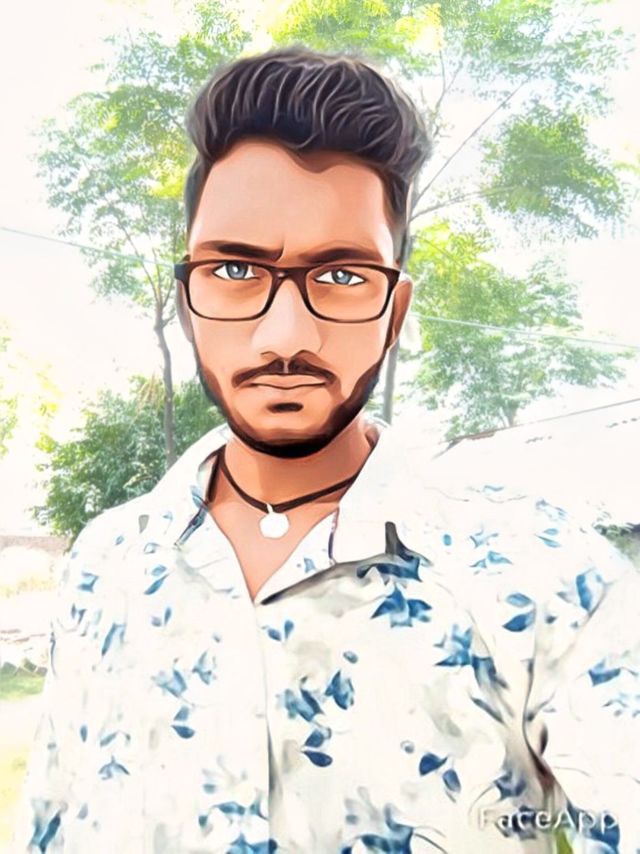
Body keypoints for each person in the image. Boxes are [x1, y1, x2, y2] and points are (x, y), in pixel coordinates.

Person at [12, 47, 639, 853]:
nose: (285, 336)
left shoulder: (551, 577)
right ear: (187, 301)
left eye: (342, 276)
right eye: (234, 268)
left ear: (395, 311)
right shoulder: (105, 566)